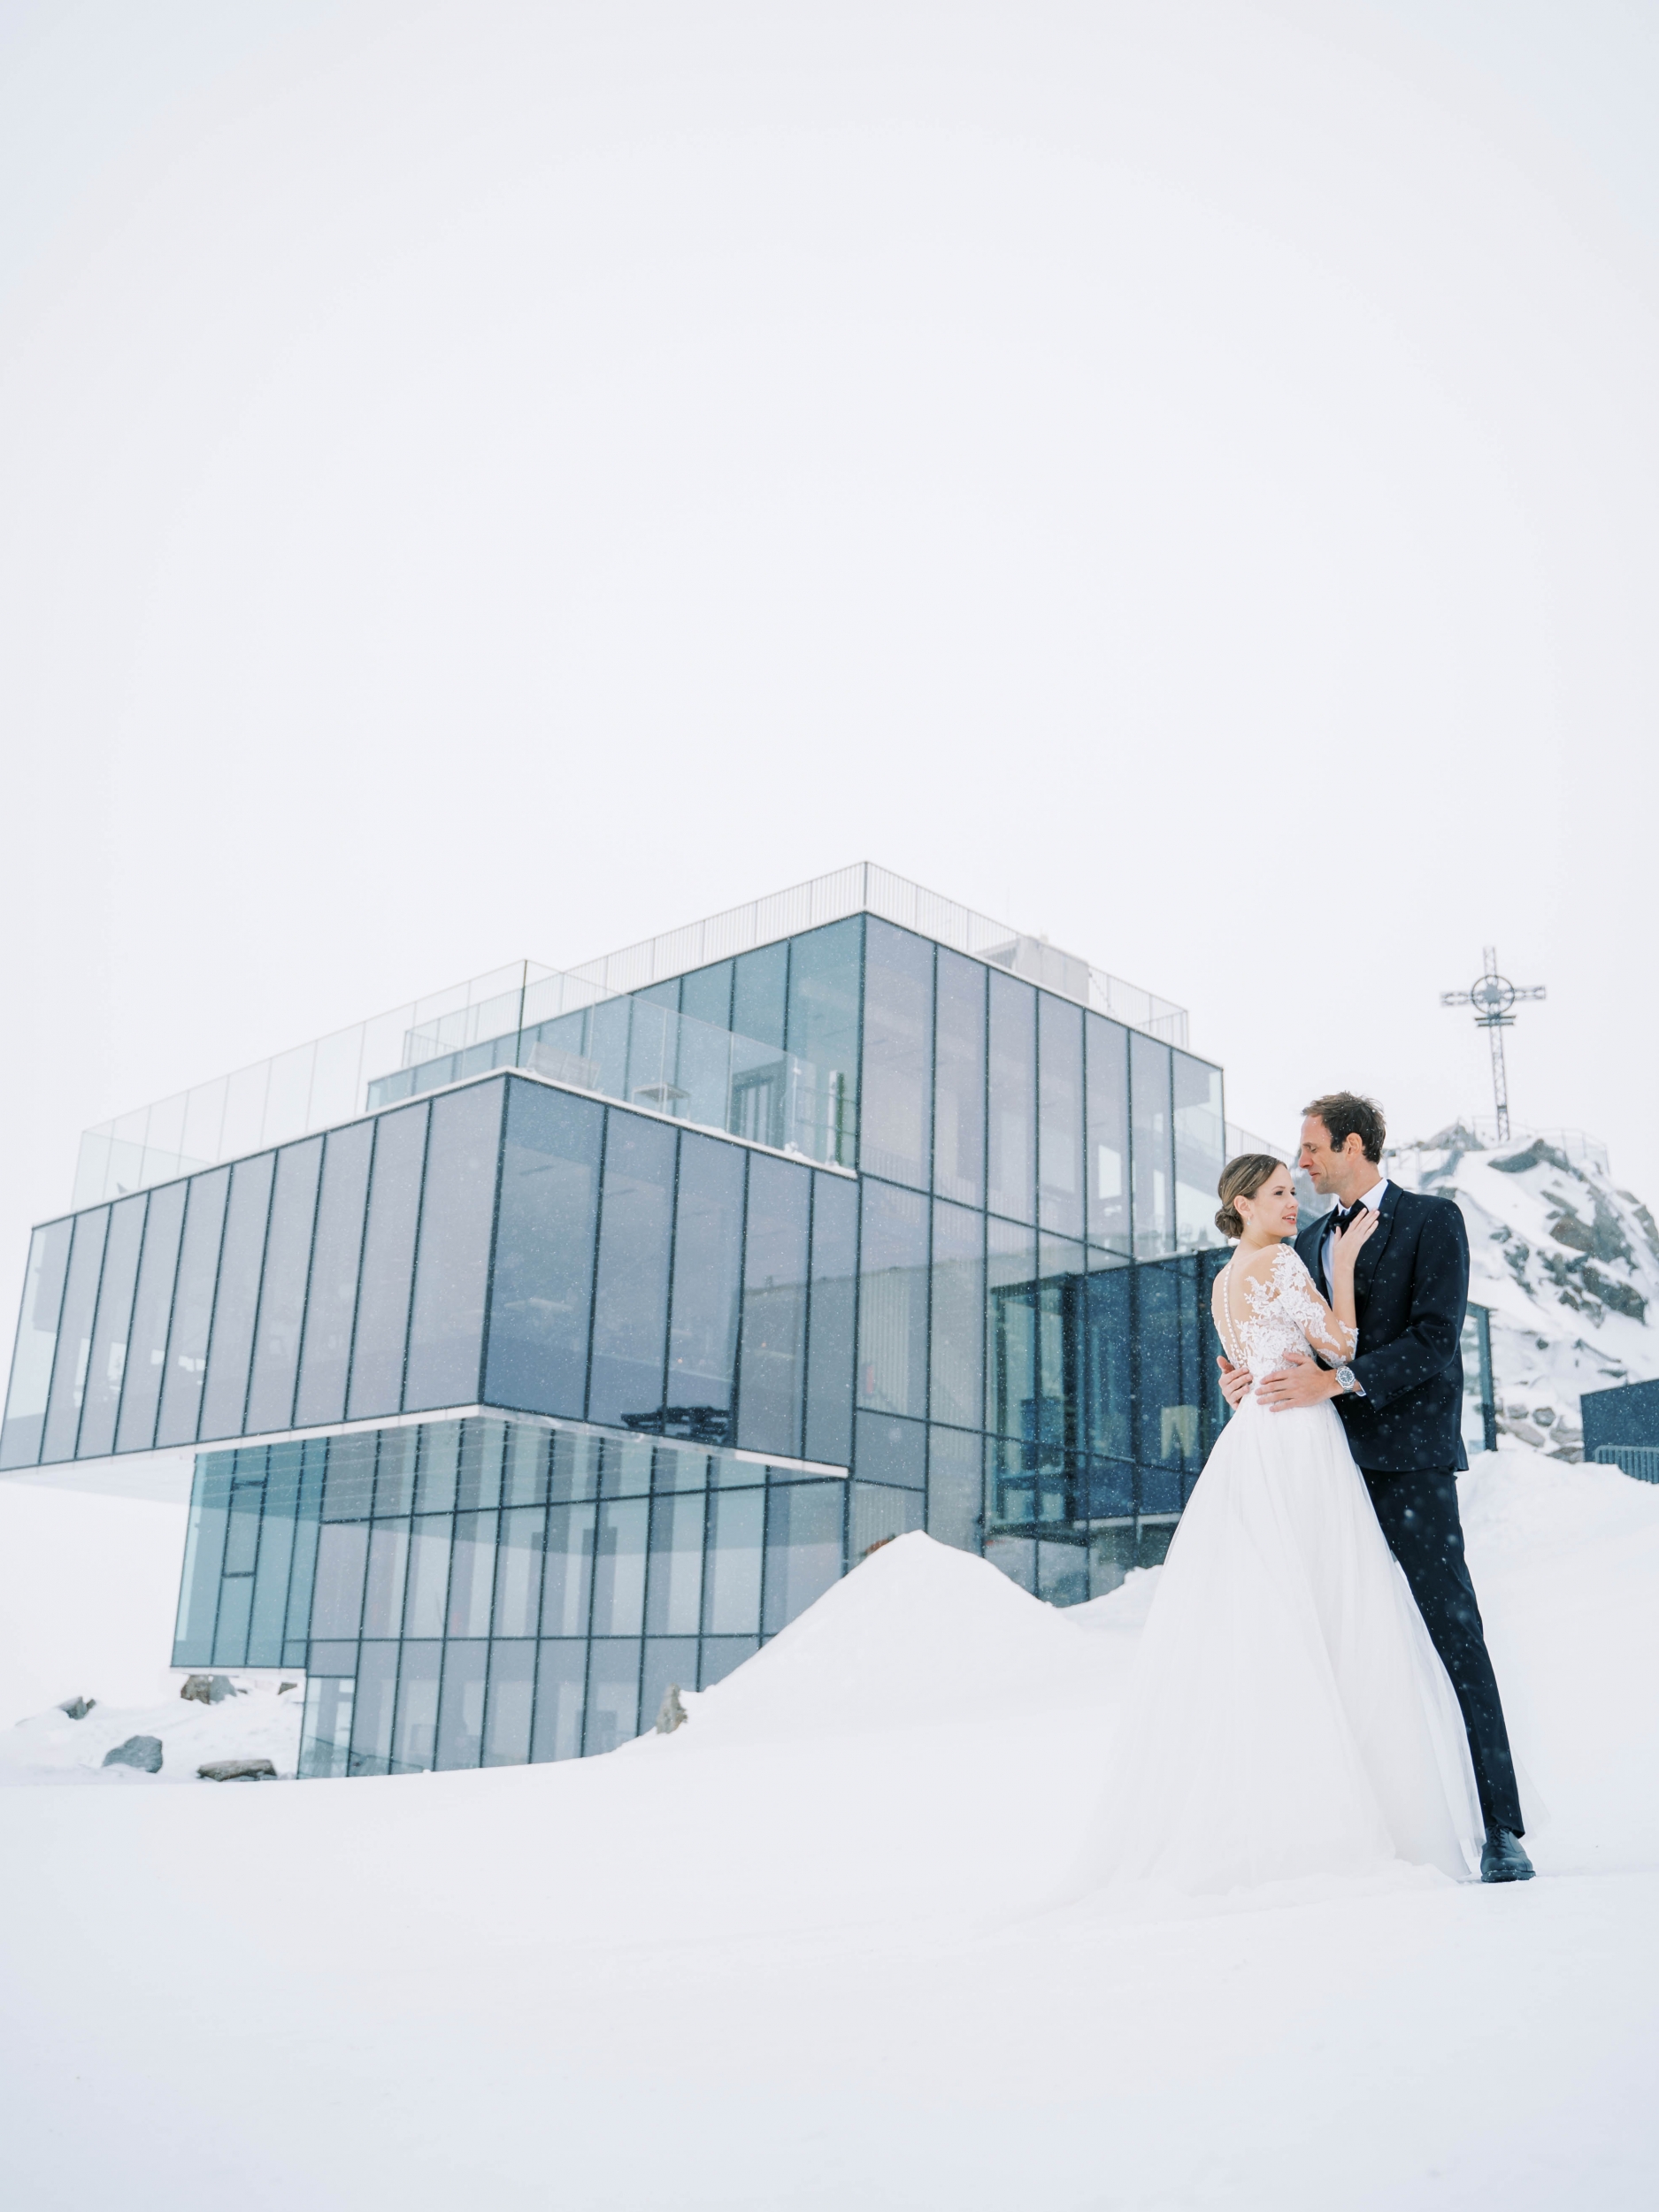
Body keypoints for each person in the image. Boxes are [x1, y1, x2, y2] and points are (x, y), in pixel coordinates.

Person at [1078, 1151, 1488, 1895]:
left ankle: (1279, 1810)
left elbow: (1244, 1368)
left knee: (1272, 1612)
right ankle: (1343, 1809)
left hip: (1252, 1440)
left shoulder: (1221, 1280)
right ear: (1243, 1205)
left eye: (1293, 1190)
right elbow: (1340, 1348)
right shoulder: (1279, 1263)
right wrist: (1344, 1271)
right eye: (1277, 1193)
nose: (1292, 1202)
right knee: (1335, 1604)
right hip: (1300, 1439)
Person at [1220, 1092, 1532, 1883]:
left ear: (1352, 1145)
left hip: (1407, 1466)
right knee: (1329, 1642)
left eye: (1311, 1149)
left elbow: (1433, 1340)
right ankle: (1362, 1830)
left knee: (1454, 1635)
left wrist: (1339, 1381)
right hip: (1316, 1464)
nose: (1301, 1164)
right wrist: (1245, 1380)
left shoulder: (1432, 1220)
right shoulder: (1301, 1240)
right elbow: (1283, 1335)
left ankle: (1501, 1829)